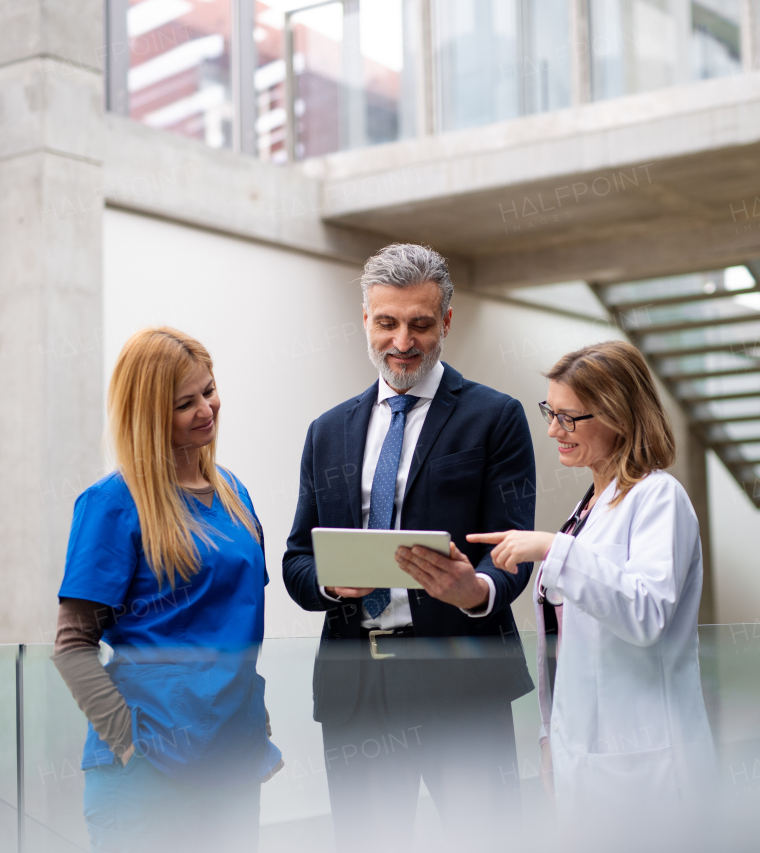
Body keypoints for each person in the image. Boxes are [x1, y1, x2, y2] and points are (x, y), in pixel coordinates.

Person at [282, 243, 537, 852]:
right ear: (365, 320)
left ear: (445, 321)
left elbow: (509, 549)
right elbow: (296, 560)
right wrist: (330, 583)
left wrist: (476, 591)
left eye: (421, 324)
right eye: (387, 322)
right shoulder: (327, 431)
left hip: (463, 683)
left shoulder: (495, 418)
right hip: (358, 689)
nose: (404, 341)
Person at [53, 327, 283, 853]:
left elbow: (233, 618)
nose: (207, 408)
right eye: (185, 402)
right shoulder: (112, 503)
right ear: (149, 413)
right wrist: (129, 743)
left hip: (232, 760)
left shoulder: (234, 493)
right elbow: (73, 648)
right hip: (146, 776)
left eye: (209, 390)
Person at [469, 340, 715, 828]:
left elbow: (644, 614)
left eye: (569, 418)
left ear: (618, 415)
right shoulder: (589, 510)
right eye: (550, 412)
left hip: (647, 764)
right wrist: (549, 738)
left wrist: (550, 550)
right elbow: (566, 647)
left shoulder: (659, 498)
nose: (553, 430)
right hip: (582, 757)